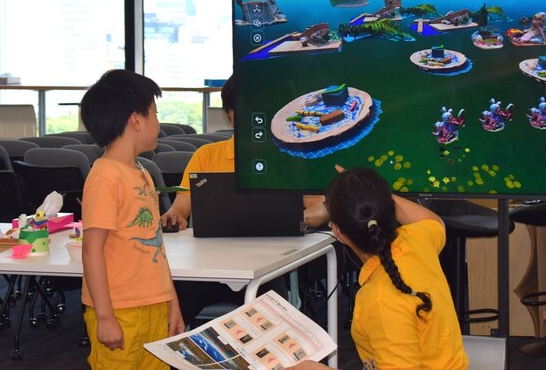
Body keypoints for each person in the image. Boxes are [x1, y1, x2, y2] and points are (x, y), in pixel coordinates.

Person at [159, 74, 328, 325]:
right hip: (208, 267)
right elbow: (180, 208)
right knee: (173, 304)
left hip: (265, 266)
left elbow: (322, 208)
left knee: (273, 319)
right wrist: (174, 216)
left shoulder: (288, 158)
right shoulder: (206, 156)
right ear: (230, 114)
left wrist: (293, 218)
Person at [288, 166, 468, 370]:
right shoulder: (417, 241)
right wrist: (370, 192)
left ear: (338, 232)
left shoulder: (380, 300)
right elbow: (433, 221)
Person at [80, 69, 183, 369]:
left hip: (154, 306)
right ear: (136, 120)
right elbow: (91, 250)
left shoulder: (143, 173)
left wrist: (172, 303)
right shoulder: (105, 177)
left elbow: (156, 248)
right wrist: (105, 316)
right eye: (155, 113)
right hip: (120, 311)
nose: (158, 123)